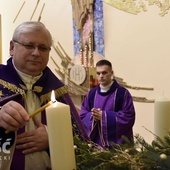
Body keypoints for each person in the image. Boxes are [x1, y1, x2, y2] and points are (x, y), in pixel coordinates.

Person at [0, 21, 88, 170]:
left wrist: (53, 138)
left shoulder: (57, 90)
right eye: (29, 46)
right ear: (12, 48)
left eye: (43, 48)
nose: (36, 53)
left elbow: (82, 143)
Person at [80, 59, 135, 148]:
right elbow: (82, 115)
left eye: (104, 73)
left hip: (118, 147)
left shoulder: (122, 93)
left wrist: (104, 116)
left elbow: (128, 117)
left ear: (111, 73)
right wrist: (92, 117)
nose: (101, 76)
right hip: (97, 145)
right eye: (98, 73)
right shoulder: (91, 94)